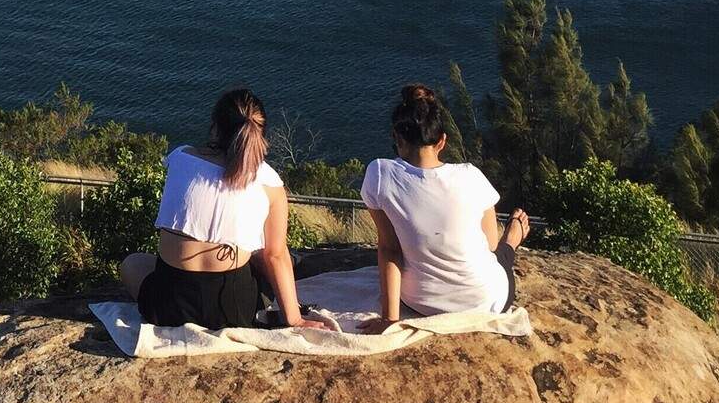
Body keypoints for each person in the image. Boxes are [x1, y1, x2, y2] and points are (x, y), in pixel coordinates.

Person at [119, 88, 328, 331]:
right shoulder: (269, 182)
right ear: (259, 134)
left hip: (169, 307)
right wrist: (295, 320)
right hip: (233, 311)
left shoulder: (180, 157)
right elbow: (275, 256)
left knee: (132, 263)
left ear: (215, 127)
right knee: (266, 255)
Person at [359, 83, 531, 330]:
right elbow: (490, 246)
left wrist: (390, 320)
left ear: (397, 138)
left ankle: (511, 241)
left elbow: (389, 249)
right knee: (500, 253)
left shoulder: (379, 174)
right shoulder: (471, 176)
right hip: (486, 303)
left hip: (420, 303)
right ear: (442, 141)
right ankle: (513, 241)